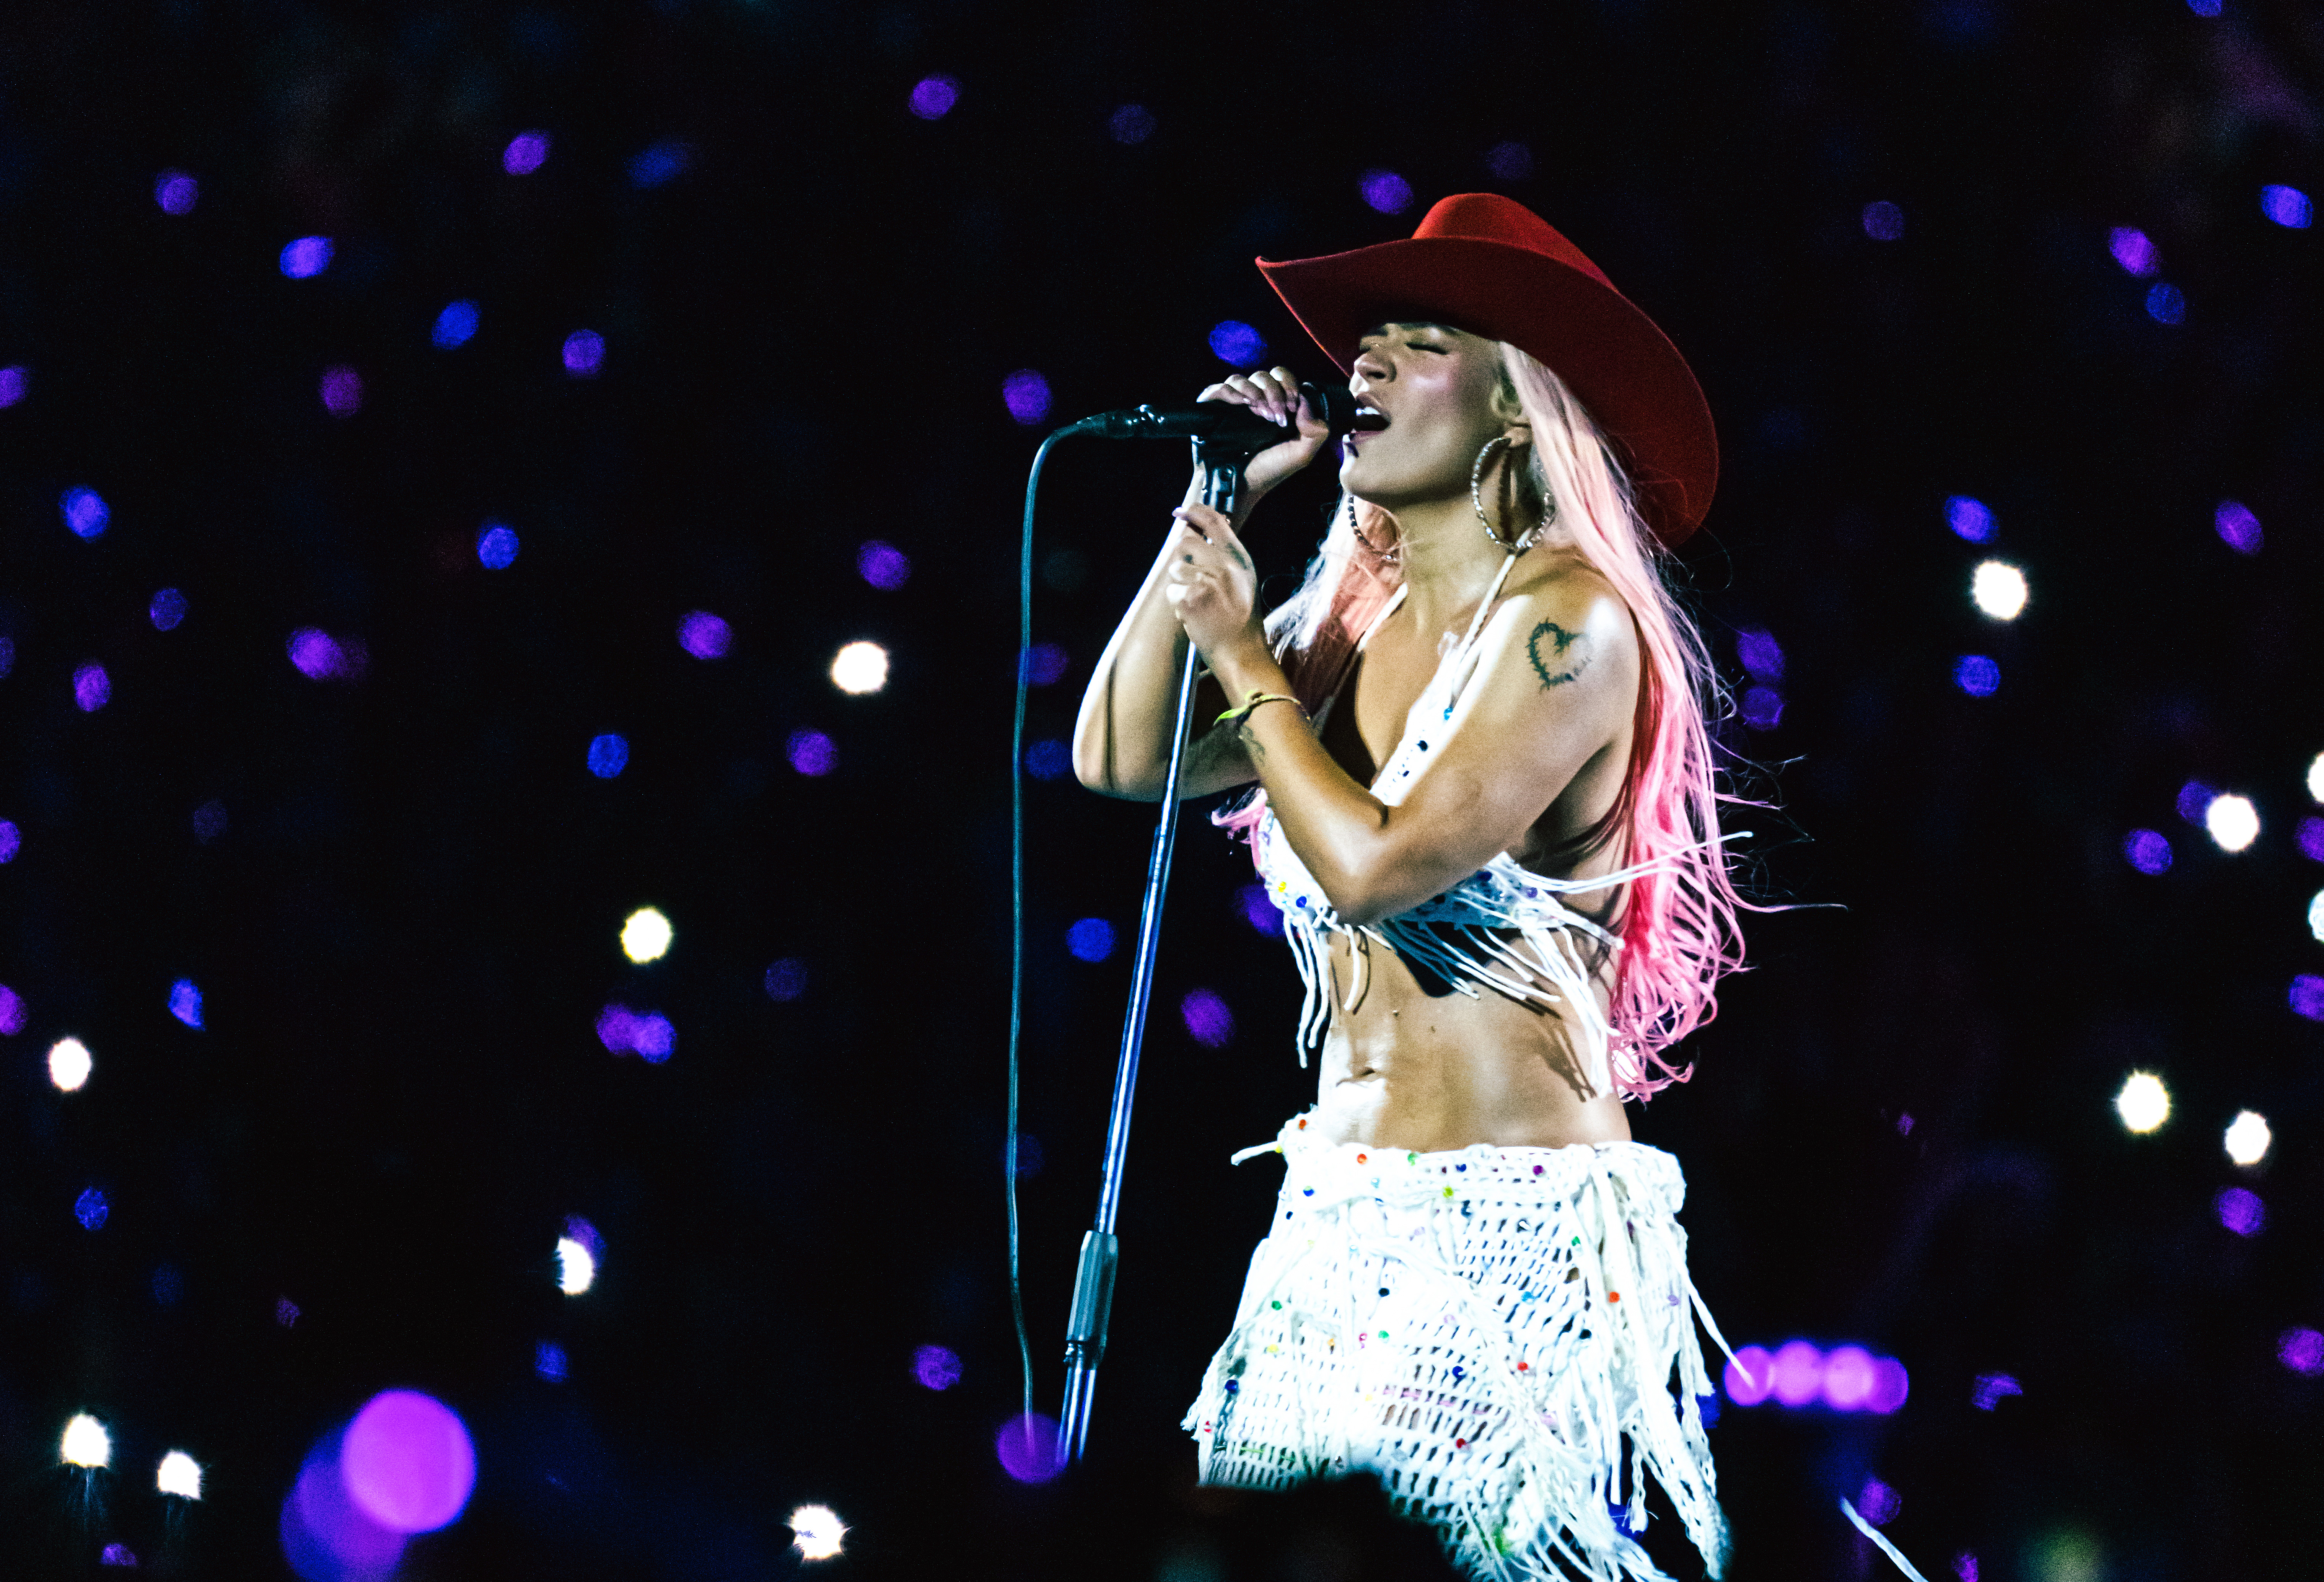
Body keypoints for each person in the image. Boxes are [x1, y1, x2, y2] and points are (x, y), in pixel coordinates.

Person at [1072, 194, 1746, 1582]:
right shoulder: (1342, 632)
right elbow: (1116, 757)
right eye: (1361, 345)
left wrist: (1236, 651)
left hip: (1502, 1237)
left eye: (1414, 342)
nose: (1359, 368)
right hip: (1332, 1220)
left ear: (1513, 407)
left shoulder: (1569, 619)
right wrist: (1218, 502)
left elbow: (1378, 867)